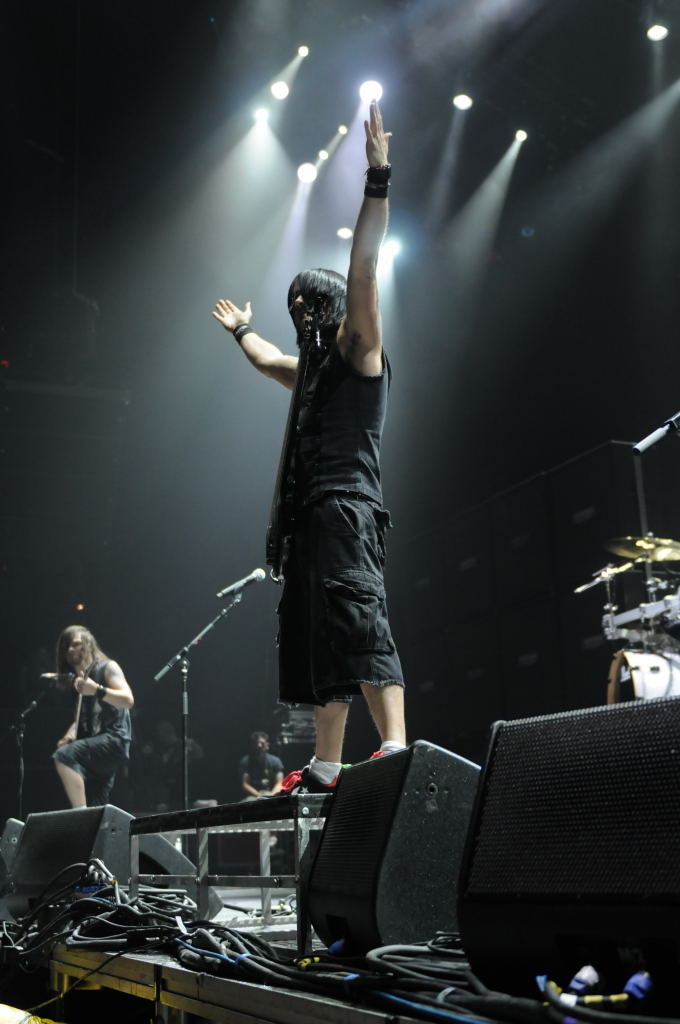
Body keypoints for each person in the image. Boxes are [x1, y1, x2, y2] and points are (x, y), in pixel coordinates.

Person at [212, 101, 406, 793]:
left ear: (333, 306)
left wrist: (376, 179)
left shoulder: (359, 348)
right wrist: (243, 331)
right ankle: (328, 762)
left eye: (308, 303)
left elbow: (364, 269)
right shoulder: (312, 373)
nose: (300, 313)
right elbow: (269, 360)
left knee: (358, 615)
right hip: (310, 518)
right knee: (319, 633)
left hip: (349, 505)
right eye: (294, 307)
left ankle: (396, 746)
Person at [52, 625, 134, 807]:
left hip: (113, 738)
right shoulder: (79, 683)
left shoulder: (107, 667)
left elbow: (128, 700)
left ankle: (80, 816)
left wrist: (97, 690)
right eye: (66, 646)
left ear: (88, 644)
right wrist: (69, 736)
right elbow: (80, 718)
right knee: (97, 807)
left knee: (64, 757)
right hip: (96, 746)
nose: (70, 649)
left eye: (75, 644)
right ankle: (90, 819)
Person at [239, 731, 285, 799]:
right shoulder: (245, 761)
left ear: (267, 745)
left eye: (262, 743)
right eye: (256, 743)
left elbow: (280, 783)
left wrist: (272, 795)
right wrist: (260, 796)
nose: (259, 746)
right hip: (253, 795)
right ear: (252, 745)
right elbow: (245, 784)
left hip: (271, 793)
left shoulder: (276, 761)